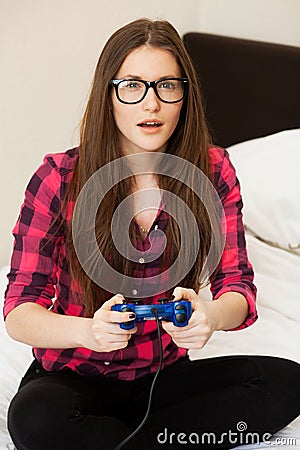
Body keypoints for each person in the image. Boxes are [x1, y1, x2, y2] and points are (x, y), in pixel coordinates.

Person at [3, 18, 300, 450]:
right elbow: (19, 311)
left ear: (185, 96)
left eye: (167, 86)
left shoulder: (212, 172)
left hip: (164, 381)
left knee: (285, 383)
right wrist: (87, 332)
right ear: (109, 96)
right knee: (36, 418)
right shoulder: (59, 177)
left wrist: (210, 317)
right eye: (132, 86)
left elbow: (237, 287)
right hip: (71, 380)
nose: (151, 105)